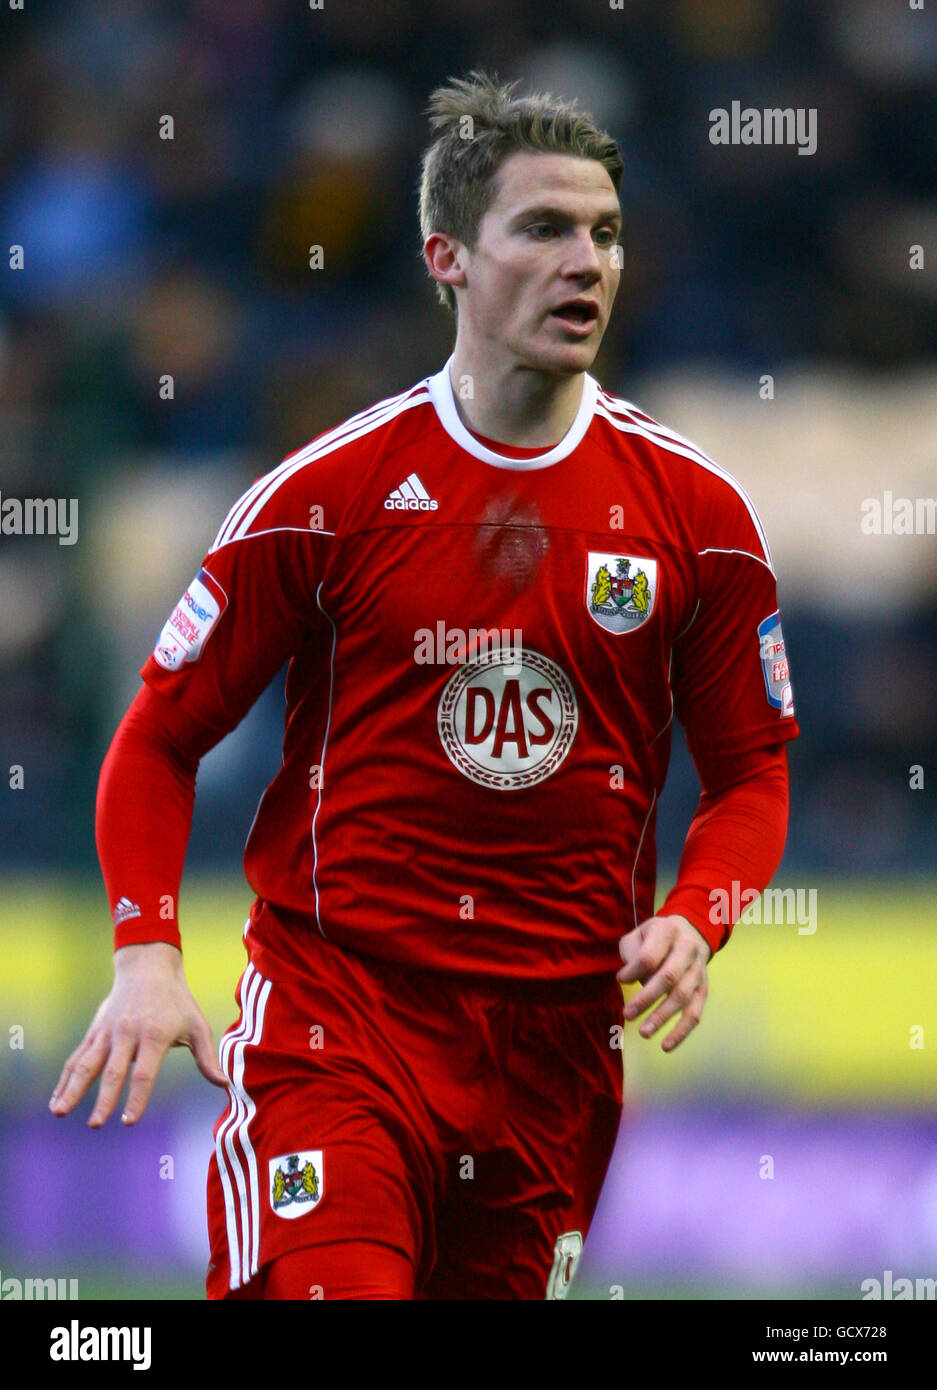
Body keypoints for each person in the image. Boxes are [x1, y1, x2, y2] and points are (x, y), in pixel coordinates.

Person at [49, 70, 798, 1300]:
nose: (587, 262)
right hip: (340, 1022)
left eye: (605, 233)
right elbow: (159, 736)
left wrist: (700, 909)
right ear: (446, 256)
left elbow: (752, 769)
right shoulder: (327, 496)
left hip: (554, 1056)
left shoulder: (698, 518)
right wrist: (145, 952)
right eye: (544, 228)